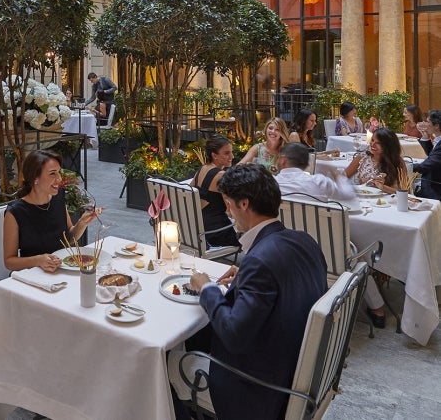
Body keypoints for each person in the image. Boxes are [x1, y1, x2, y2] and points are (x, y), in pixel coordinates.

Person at [169, 164, 327, 420]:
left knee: (168, 361)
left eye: (228, 205)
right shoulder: (304, 240)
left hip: (257, 389)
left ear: (243, 204)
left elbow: (234, 335)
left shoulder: (260, 260)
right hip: (291, 363)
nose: (227, 212)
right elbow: (289, 283)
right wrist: (246, 275)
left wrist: (207, 287)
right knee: (197, 336)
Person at [276, 143, 387, 327]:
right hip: (323, 256)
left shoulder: (271, 184)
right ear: (306, 164)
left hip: (284, 252)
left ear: (283, 161)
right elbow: (348, 197)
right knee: (355, 254)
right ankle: (377, 309)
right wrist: (338, 176)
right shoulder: (318, 182)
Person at [3, 150, 100, 272]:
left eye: (59, 172)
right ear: (35, 178)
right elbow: (9, 262)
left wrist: (82, 223)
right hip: (32, 274)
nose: (59, 178)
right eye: (52, 173)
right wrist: (38, 260)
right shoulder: (15, 212)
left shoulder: (58, 197)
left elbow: (68, 239)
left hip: (61, 269)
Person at [189, 135, 240, 248]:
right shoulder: (221, 175)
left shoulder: (202, 169)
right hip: (218, 233)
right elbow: (231, 209)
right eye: (226, 153)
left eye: (231, 152)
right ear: (214, 155)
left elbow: (189, 191)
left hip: (200, 229)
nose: (232, 156)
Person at [344, 127, 407, 194]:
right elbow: (342, 178)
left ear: (388, 146)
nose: (372, 144)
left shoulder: (398, 162)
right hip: (362, 198)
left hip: (387, 199)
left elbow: (405, 192)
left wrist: (383, 187)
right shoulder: (362, 158)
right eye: (372, 140)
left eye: (378, 143)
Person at [413, 110, 441, 201]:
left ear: (436, 126)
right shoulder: (438, 138)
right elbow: (433, 156)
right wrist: (425, 138)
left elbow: (426, 166)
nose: (425, 124)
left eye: (428, 122)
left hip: (435, 188)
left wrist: (405, 166)